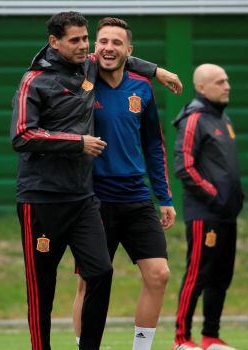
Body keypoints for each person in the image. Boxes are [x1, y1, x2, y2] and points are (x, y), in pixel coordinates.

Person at [10, 11, 182, 350]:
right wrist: (78, 143)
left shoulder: (127, 81)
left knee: (142, 273)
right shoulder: (61, 76)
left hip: (114, 197)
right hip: (71, 196)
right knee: (67, 285)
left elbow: (154, 144)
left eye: (90, 39)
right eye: (95, 40)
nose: (97, 47)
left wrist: (157, 70)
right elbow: (21, 135)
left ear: (129, 49)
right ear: (56, 42)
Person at [70, 17, 176, 350]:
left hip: (137, 197)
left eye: (117, 43)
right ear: (93, 47)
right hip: (94, 201)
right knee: (90, 283)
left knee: (159, 275)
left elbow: (153, 145)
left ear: (129, 51)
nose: (108, 48)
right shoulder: (80, 80)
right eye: (102, 41)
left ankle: (141, 348)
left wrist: (165, 197)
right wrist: (158, 69)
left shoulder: (141, 87)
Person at [172, 64, 244, 350]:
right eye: (220, 81)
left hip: (227, 214)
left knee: (221, 276)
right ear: (202, 87)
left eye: (227, 80)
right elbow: (184, 167)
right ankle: (182, 338)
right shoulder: (193, 119)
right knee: (197, 274)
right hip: (205, 214)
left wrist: (236, 197)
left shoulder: (223, 118)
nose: (227, 86)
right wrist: (214, 196)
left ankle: (210, 336)